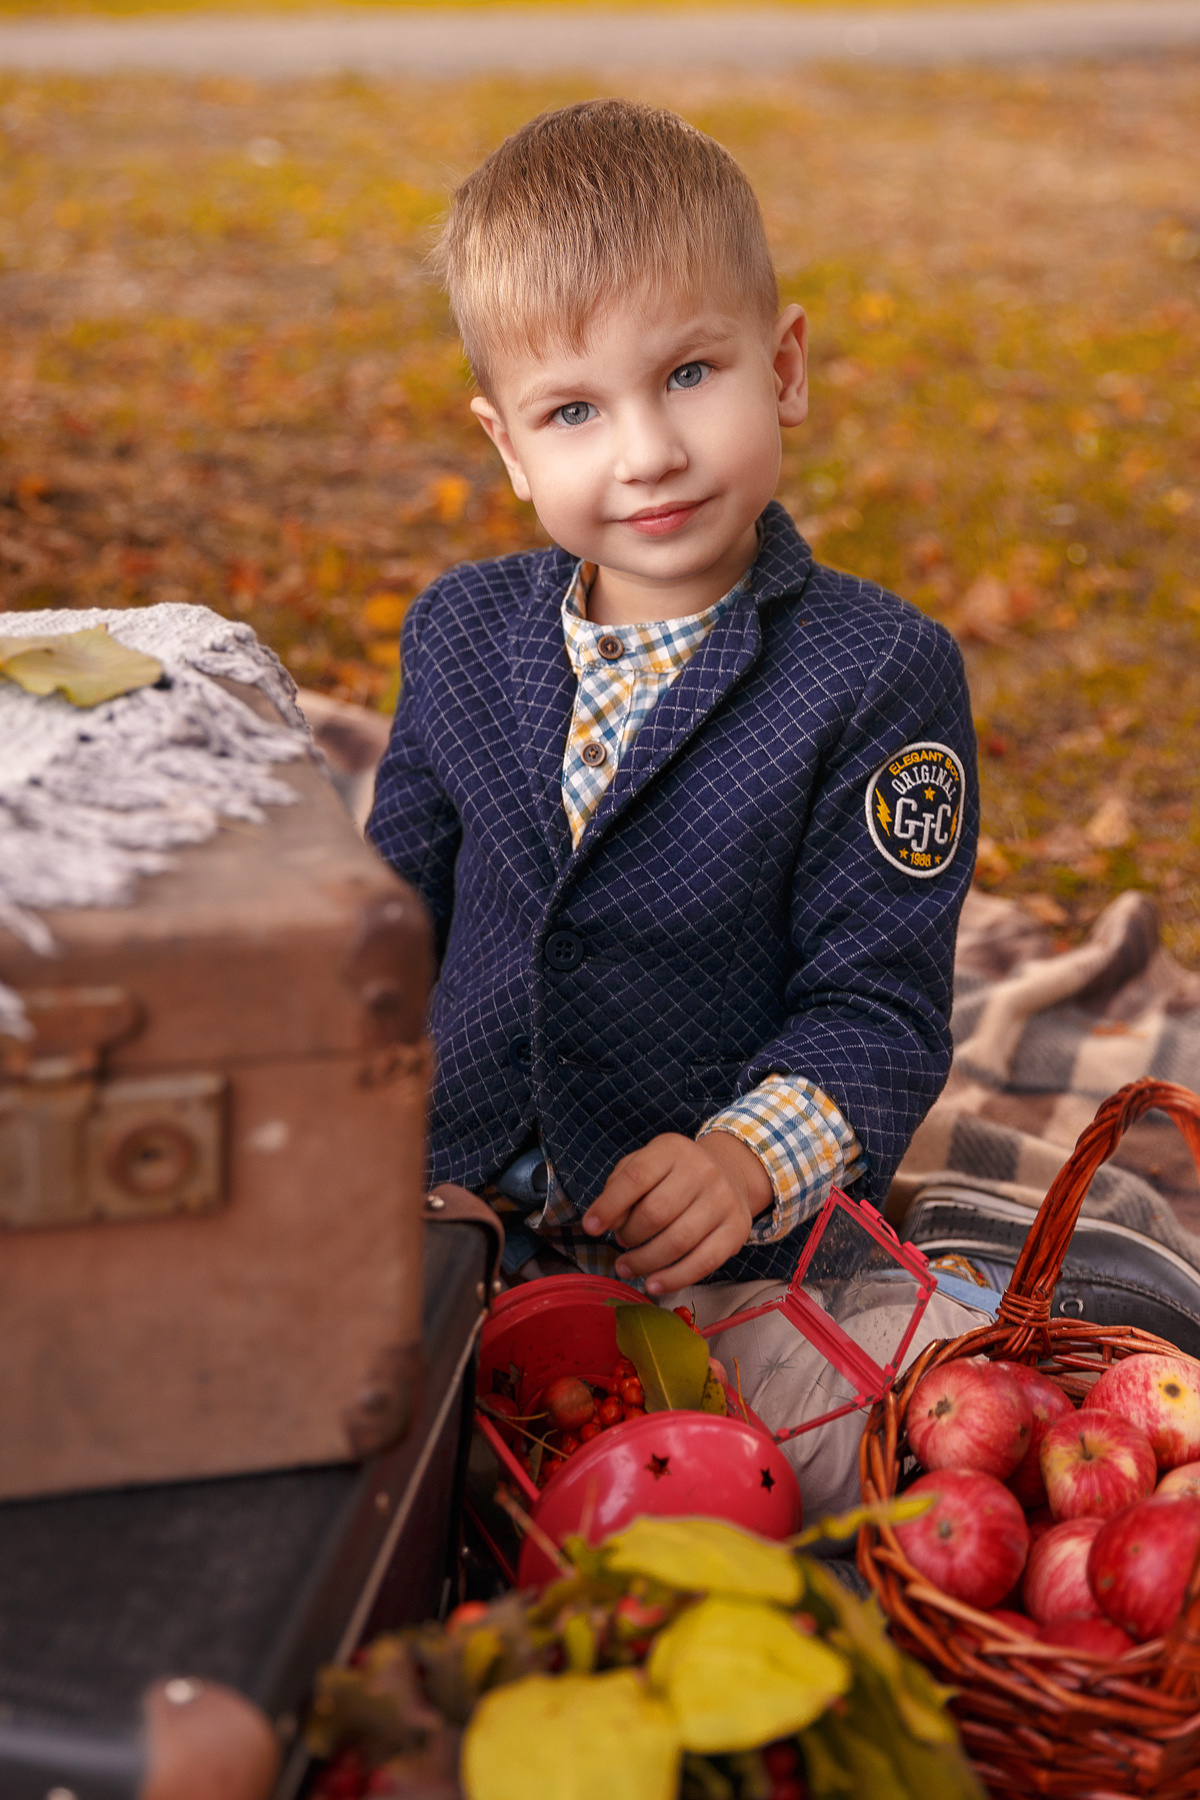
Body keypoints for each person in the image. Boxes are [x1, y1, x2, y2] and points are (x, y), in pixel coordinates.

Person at [368, 99, 992, 1516]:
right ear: (508, 447)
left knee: (859, 1460)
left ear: (784, 368)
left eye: (690, 373)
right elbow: (387, 925)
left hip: (708, 1258)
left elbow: (880, 1007)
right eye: (574, 411)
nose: (645, 450)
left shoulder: (876, 673)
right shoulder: (460, 633)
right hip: (444, 1213)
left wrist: (740, 1161)